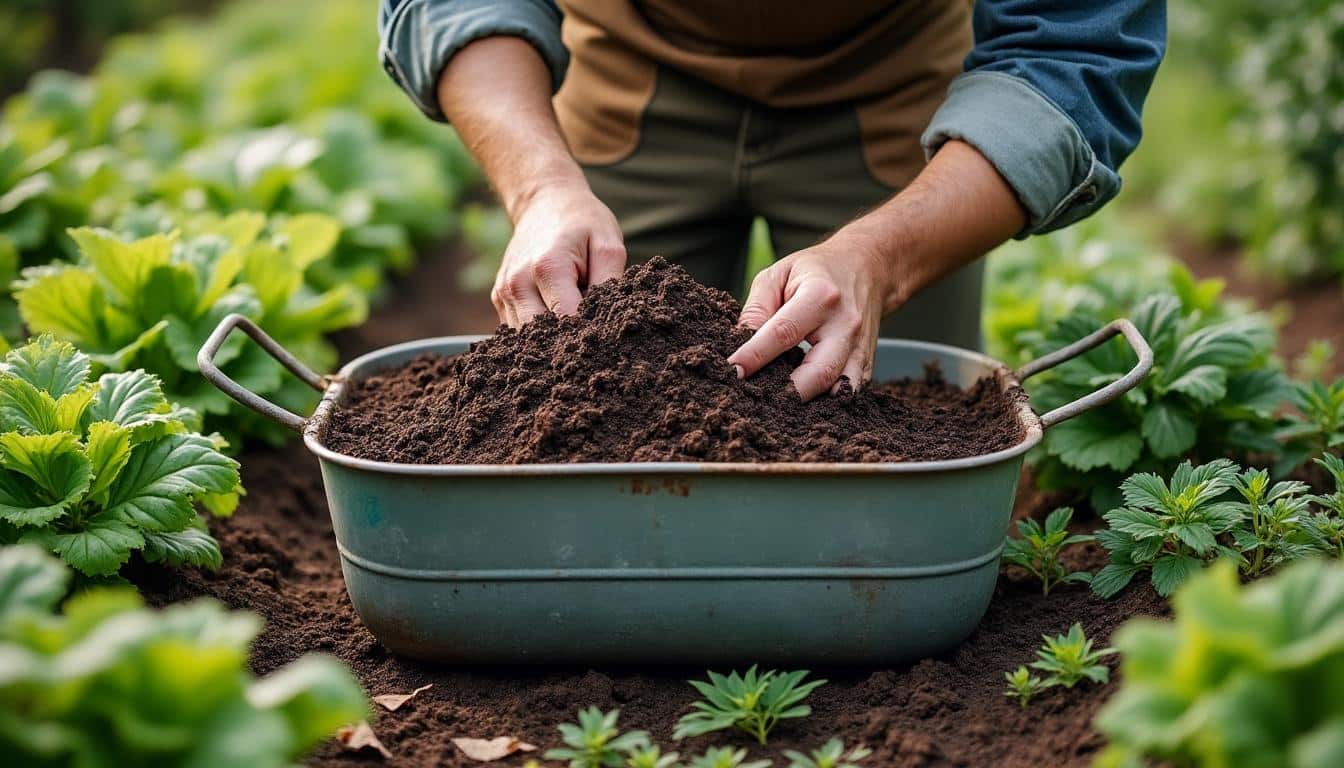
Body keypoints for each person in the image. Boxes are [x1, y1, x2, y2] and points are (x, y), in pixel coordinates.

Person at [378, 1, 1165, 400]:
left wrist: (882, 259)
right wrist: (544, 183)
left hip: (888, 79)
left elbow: (1075, 44)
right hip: (632, 66)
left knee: (886, 418)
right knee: (589, 399)